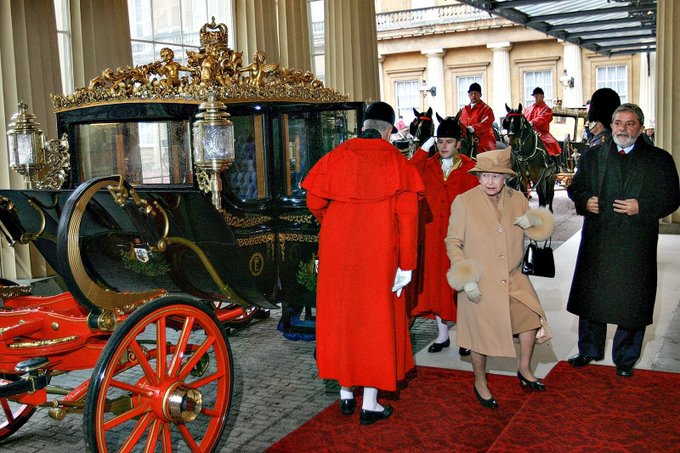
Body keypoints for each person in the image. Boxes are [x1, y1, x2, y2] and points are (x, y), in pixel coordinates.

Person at [301, 101, 424, 424]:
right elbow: (409, 218)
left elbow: (313, 200)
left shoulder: (337, 155)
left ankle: (344, 394)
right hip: (380, 254)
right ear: (387, 130)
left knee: (343, 318)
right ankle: (370, 403)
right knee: (375, 324)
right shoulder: (397, 162)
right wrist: (407, 265)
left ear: (364, 125)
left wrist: (333, 223)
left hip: (338, 252)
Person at [566, 103, 680, 377]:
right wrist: (585, 200)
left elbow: (672, 197)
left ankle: (625, 359)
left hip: (635, 242)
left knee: (632, 299)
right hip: (599, 240)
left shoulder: (659, 159)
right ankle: (589, 350)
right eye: (618, 123)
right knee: (593, 296)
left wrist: (642, 206)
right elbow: (575, 187)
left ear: (639, 128)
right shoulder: (593, 156)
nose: (623, 129)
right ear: (612, 125)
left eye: (630, 124)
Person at [445, 147, 554, 409]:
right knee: (478, 337)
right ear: (478, 176)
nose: (490, 182)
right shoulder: (464, 201)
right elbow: (453, 242)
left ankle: (525, 369)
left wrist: (534, 222)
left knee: (530, 317)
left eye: (496, 176)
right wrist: (465, 277)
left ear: (506, 177)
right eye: (484, 176)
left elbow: (539, 232)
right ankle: (480, 381)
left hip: (513, 276)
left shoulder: (518, 199)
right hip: (479, 280)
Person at [410, 116, 479, 357]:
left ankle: (466, 337)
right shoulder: (427, 165)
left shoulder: (472, 168)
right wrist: (422, 150)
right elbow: (407, 173)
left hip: (460, 238)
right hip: (432, 237)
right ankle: (442, 335)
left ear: (459, 144)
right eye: (440, 142)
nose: (443, 146)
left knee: (461, 286)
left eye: (448, 142)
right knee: (436, 286)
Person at [523, 87, 562, 167]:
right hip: (528, 132)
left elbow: (543, 118)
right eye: (534, 96)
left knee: (553, 143)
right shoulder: (528, 109)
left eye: (537, 96)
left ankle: (557, 165)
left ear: (542, 96)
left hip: (541, 132)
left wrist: (532, 122)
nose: (535, 98)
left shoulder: (546, 109)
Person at [458, 82, 497, 153]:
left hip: (483, 139)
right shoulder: (463, 110)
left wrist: (473, 128)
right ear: (468, 95)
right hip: (466, 140)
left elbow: (486, 124)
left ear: (480, 95)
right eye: (471, 93)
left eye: (476, 93)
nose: (473, 95)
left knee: (485, 154)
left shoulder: (487, 109)